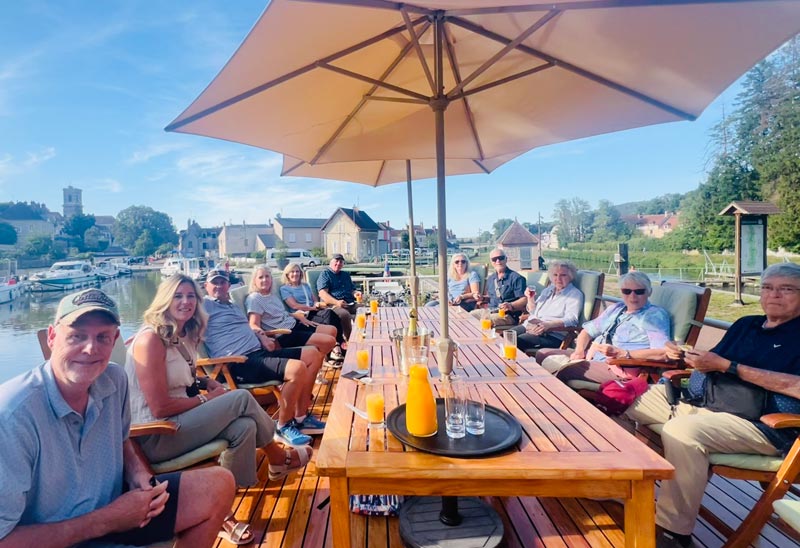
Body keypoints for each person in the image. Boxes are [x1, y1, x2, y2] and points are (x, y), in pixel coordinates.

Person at [0, 288, 234, 548]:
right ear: (52, 337)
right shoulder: (11, 416)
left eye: (102, 337)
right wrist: (108, 520)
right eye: (77, 336)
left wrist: (136, 473)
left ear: (115, 341)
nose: (90, 348)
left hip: (115, 509)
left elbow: (123, 441)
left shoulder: (114, 380)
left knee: (218, 485)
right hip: (56, 536)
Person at [625, 263, 800, 548]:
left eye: (786, 289)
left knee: (683, 431)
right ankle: (622, 486)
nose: (774, 295)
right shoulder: (747, 324)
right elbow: (713, 360)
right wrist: (685, 355)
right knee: (627, 398)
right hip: (709, 404)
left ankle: (672, 533)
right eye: (767, 288)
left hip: (765, 425)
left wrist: (731, 367)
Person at [125, 276, 312, 514]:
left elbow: (181, 375)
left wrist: (206, 381)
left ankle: (226, 499)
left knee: (243, 426)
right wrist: (207, 398)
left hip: (181, 419)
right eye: (178, 296)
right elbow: (160, 407)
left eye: (190, 296)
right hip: (158, 434)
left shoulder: (181, 334)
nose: (185, 302)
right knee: (240, 398)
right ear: (164, 300)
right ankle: (277, 457)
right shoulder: (151, 339)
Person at [202, 269, 324, 447]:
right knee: (297, 369)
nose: (219, 286)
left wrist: (262, 336)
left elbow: (251, 326)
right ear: (206, 286)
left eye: (223, 282)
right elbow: (180, 306)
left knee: (313, 354)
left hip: (257, 353)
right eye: (215, 283)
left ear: (229, 285)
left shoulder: (231, 305)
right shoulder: (204, 305)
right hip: (238, 362)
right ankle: (282, 427)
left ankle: (300, 417)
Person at [537, 271, 670, 385]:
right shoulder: (617, 308)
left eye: (639, 291)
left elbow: (662, 352)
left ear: (649, 292)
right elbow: (587, 331)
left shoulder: (653, 316)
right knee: (542, 354)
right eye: (627, 291)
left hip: (618, 367)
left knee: (567, 370)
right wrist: (579, 351)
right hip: (593, 357)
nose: (632, 296)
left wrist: (623, 353)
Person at [246, 266, 337, 363]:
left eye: (267, 276)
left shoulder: (271, 295)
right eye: (261, 277)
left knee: (332, 330)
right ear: (254, 281)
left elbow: (282, 313)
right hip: (284, 334)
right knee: (329, 341)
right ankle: (315, 365)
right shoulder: (254, 299)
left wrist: (297, 316)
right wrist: (264, 337)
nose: (265, 280)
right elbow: (253, 324)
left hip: (294, 324)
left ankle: (316, 363)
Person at [510, 260, 584, 352]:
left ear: (571, 277)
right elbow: (533, 311)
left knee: (516, 341)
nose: (558, 279)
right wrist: (530, 298)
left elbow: (572, 319)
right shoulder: (548, 290)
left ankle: (516, 366)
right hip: (531, 326)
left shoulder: (574, 295)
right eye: (555, 275)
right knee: (506, 336)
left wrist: (548, 325)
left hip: (551, 335)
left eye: (563, 275)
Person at [279, 262, 347, 361]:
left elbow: (313, 299)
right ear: (287, 275)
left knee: (331, 314)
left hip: (312, 311)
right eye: (292, 272)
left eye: (297, 271)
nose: (295, 274)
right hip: (301, 316)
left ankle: (336, 346)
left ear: (301, 273)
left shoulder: (305, 285)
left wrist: (317, 304)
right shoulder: (285, 289)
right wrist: (313, 308)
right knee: (328, 316)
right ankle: (336, 348)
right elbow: (294, 305)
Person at [469, 248, 526, 327]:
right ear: (491, 262)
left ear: (506, 259)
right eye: (494, 259)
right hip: (491, 310)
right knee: (470, 316)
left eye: (501, 258)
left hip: (508, 314)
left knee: (485, 320)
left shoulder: (516, 278)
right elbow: (491, 297)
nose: (498, 261)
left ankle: (486, 338)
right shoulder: (491, 278)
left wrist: (510, 305)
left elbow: (524, 299)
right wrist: (482, 298)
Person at [316, 253, 359, 340]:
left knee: (365, 309)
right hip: (333, 305)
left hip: (350, 303)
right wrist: (337, 302)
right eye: (336, 261)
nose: (338, 263)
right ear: (331, 262)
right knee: (345, 315)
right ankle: (350, 340)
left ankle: (363, 335)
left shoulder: (345, 275)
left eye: (341, 262)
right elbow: (323, 294)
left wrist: (356, 293)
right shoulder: (325, 274)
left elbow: (352, 290)